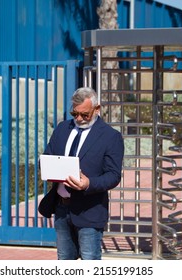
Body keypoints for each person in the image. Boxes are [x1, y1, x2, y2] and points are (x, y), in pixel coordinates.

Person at [42, 87, 124, 260]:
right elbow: (49, 154)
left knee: (90, 260)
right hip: (62, 209)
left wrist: (89, 184)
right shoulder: (63, 128)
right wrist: (47, 167)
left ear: (97, 109)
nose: (79, 118)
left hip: (90, 210)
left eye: (85, 114)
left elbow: (113, 175)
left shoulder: (111, 136)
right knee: (64, 260)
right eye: (75, 113)